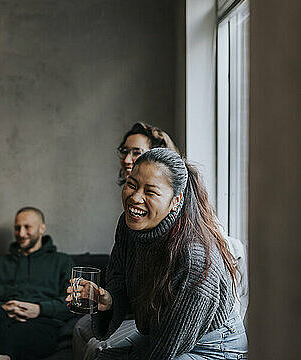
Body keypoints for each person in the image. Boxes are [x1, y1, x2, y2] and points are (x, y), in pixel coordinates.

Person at [68, 148, 247, 359]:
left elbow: (165, 351)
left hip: (215, 346)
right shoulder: (128, 227)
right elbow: (120, 282)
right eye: (131, 185)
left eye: (150, 191)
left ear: (175, 201)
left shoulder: (194, 259)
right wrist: (108, 300)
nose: (135, 197)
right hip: (164, 331)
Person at [0, 207, 74, 360]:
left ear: (41, 228)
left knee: (17, 334)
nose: (21, 233)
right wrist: (3, 308)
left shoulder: (62, 261)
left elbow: (73, 303)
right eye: (17, 228)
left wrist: (39, 309)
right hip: (0, 321)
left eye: (27, 227)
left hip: (41, 323)